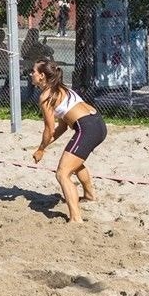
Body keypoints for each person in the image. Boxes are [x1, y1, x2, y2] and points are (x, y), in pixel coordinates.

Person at [30, 56, 106, 225]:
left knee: (62, 173)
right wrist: (44, 145)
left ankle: (76, 218)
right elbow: (63, 127)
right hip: (98, 124)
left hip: (87, 128)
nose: (31, 74)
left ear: (42, 76)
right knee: (75, 161)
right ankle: (89, 195)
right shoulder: (61, 90)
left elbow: (49, 129)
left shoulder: (46, 96)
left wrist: (41, 149)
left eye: (33, 71)